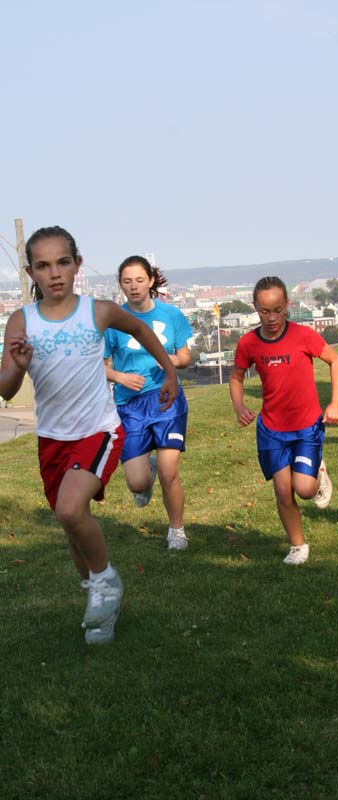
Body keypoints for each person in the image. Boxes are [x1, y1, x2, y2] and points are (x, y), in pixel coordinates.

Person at [0, 226, 178, 645]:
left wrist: (169, 371)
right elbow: (5, 389)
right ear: (30, 272)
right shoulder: (21, 322)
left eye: (63, 262)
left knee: (68, 509)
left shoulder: (97, 312)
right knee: (72, 525)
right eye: (43, 266)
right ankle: (99, 604)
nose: (54, 273)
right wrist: (19, 364)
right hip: (52, 439)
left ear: (77, 264)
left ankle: (105, 582)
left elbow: (140, 330)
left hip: (98, 430)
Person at [229, 276, 338, 565]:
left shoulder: (303, 335)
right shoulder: (248, 343)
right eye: (265, 311)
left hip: (306, 426)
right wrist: (239, 405)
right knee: (282, 490)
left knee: (304, 490)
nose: (271, 317)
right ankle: (297, 546)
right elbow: (237, 376)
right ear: (255, 307)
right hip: (271, 430)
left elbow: (334, 361)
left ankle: (318, 471)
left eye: (278, 310)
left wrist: (336, 402)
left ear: (287, 306)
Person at [104, 256, 193, 551]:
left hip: (166, 400)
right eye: (127, 281)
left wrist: (166, 361)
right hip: (130, 406)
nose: (134, 286)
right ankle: (147, 470)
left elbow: (184, 357)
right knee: (137, 484)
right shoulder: (114, 322)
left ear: (151, 281)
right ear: (120, 284)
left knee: (171, 473)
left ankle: (176, 531)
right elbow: (99, 365)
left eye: (139, 280)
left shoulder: (171, 315)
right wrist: (120, 376)